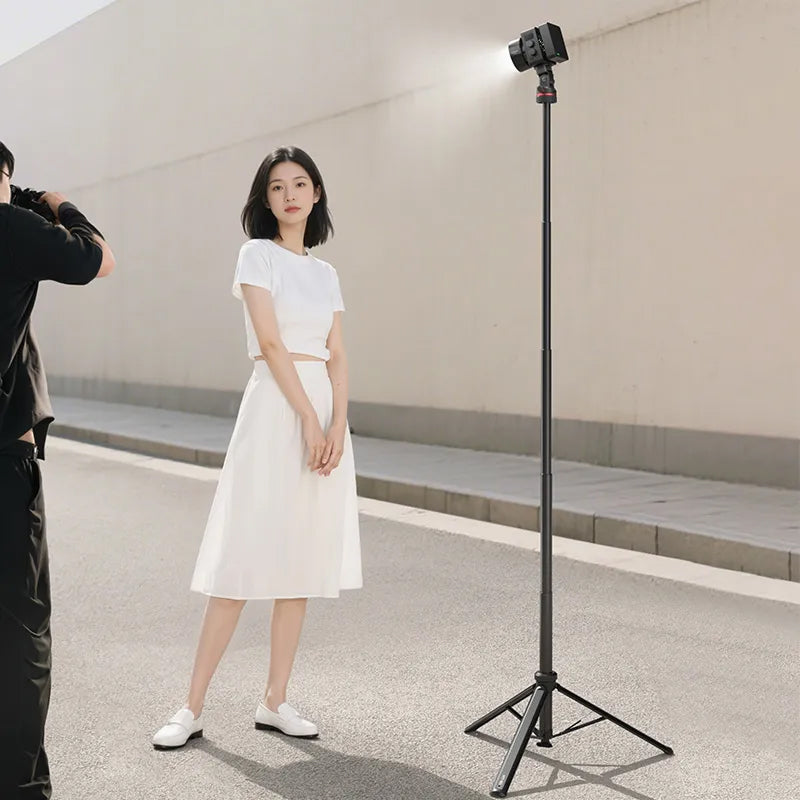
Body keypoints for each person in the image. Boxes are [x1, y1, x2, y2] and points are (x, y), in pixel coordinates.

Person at [153, 146, 362, 750]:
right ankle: (190, 707)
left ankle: (275, 699)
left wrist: (338, 421)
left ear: (317, 194)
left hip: (322, 406)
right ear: (264, 199)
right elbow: (271, 343)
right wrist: (307, 418)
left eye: (301, 184)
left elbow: (339, 354)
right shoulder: (256, 255)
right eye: (277, 187)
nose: (290, 194)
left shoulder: (326, 275)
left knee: (297, 563)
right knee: (241, 558)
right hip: (277, 406)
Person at [0, 140, 116, 798]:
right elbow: (98, 257)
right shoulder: (14, 228)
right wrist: (54, 203)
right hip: (3, 468)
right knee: (21, 634)